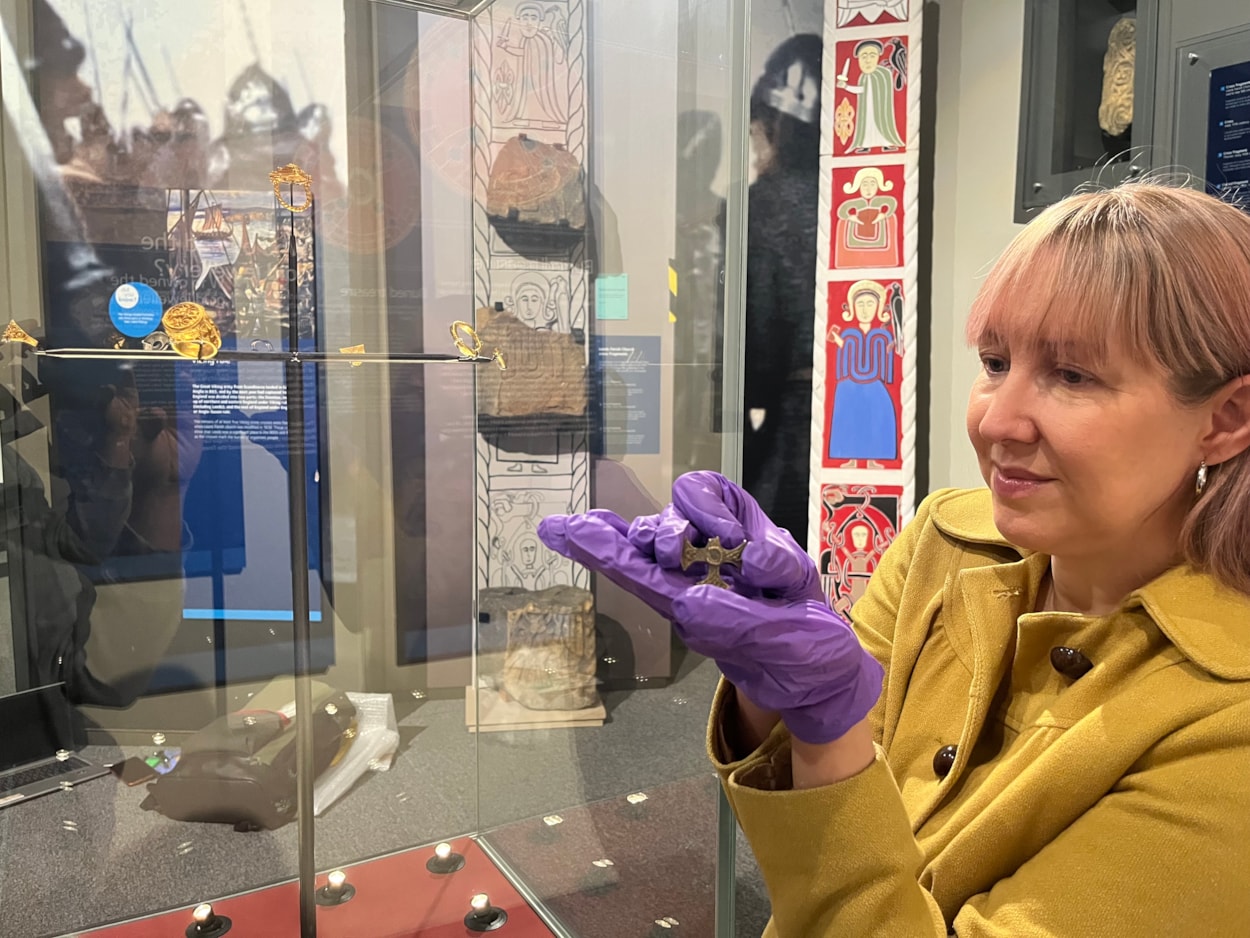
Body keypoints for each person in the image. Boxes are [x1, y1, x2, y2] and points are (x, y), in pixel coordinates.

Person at [537, 182, 1250, 935]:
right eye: (996, 360)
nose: (997, 419)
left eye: (1072, 376)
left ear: (1225, 419)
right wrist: (770, 682)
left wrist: (827, 719)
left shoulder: (1226, 721)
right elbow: (826, 808)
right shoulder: (946, 540)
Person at [742, 34, 822, 545]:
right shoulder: (850, 190)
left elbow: (760, 339)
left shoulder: (763, 203)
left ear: (773, 126)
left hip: (791, 432)